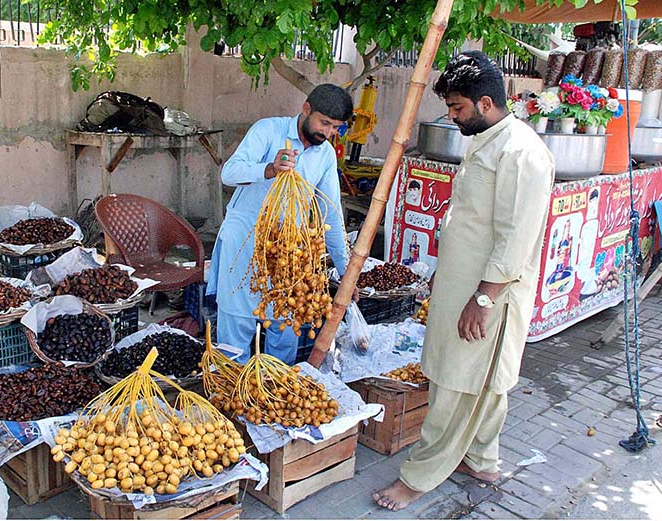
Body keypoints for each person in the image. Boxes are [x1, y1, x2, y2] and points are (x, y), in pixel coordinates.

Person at [373, 51, 555, 511]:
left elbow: (516, 237)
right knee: (484, 383)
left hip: (488, 294)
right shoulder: (487, 138)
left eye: (457, 108)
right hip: (464, 285)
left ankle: (417, 479)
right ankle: (482, 460)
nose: (452, 117)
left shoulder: (522, 153)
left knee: (456, 385)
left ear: (486, 103)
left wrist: (484, 298)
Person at [205, 84, 356, 364]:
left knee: (285, 331)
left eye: (336, 128)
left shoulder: (324, 154)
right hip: (245, 248)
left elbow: (331, 215)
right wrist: (270, 169)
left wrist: (347, 271)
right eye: (324, 123)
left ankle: (277, 384)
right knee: (236, 334)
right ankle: (234, 386)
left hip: (288, 255)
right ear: (306, 109)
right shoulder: (268, 130)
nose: (328, 133)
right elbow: (229, 173)